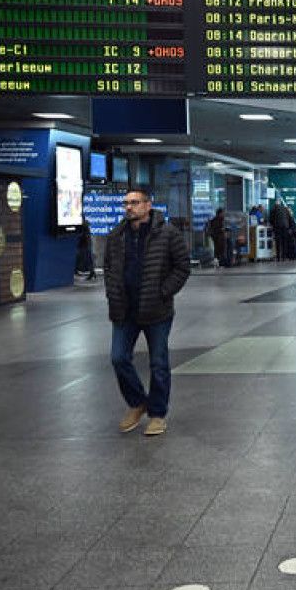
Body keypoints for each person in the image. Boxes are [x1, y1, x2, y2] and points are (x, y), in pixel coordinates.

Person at [104, 188, 190, 438]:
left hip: (156, 309)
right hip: (124, 309)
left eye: (134, 202)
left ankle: (157, 414)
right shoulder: (117, 235)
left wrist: (163, 292)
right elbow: (108, 268)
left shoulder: (167, 233)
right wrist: (112, 292)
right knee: (118, 358)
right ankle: (138, 402)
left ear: (148, 205)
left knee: (158, 363)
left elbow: (182, 267)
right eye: (126, 203)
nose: (129, 207)